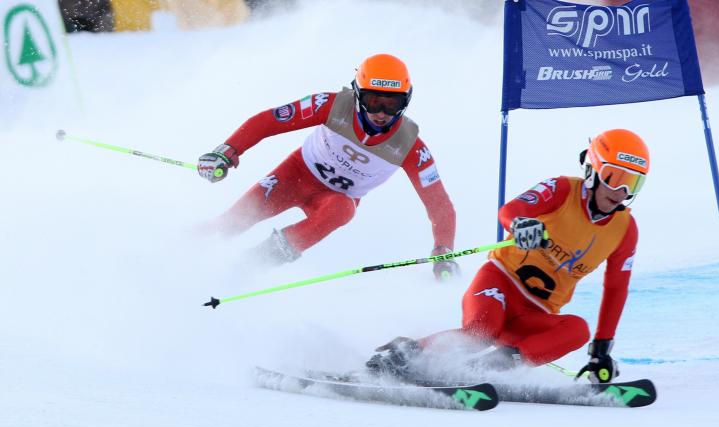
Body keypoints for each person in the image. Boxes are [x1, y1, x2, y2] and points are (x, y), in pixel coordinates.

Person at [366, 129, 650, 383]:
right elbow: (510, 210)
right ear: (593, 170)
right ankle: (404, 354)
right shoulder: (562, 189)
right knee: (482, 331)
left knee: (577, 329)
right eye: (615, 178)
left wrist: (601, 348)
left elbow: (616, 288)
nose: (621, 192)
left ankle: (493, 367)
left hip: (535, 313)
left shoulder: (625, 230)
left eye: (633, 184)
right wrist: (520, 225)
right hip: (499, 284)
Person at [197, 53, 459, 279]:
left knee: (343, 209)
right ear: (357, 94)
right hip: (294, 176)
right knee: (229, 225)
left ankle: (252, 265)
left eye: (392, 103)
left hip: (334, 199)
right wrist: (227, 151)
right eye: (373, 101)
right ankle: (177, 250)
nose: (381, 113)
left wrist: (443, 250)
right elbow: (270, 121)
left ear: (406, 100)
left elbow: (439, 204)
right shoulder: (332, 105)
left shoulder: (411, 146)